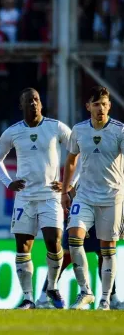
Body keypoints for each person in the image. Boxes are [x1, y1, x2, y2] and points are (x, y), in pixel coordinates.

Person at [0, 88, 72, 309]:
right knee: (22, 246)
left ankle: (52, 287)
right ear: (21, 106)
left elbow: (78, 151)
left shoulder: (55, 127)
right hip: (24, 198)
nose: (33, 103)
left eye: (36, 99)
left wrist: (69, 183)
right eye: (28, 101)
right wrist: (8, 182)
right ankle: (28, 298)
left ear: (41, 104)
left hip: (50, 196)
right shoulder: (12, 132)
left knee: (53, 241)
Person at [61, 86, 124, 310]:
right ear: (88, 106)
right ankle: (85, 291)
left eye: (104, 104)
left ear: (109, 106)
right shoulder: (79, 130)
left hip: (112, 197)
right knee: (74, 238)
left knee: (107, 249)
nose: (100, 109)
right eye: (96, 104)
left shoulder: (120, 131)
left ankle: (106, 299)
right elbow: (71, 160)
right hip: (85, 195)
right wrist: (65, 191)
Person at [36, 158, 123, 309]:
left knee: (104, 252)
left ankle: (111, 298)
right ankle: (45, 295)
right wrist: (67, 188)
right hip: (82, 205)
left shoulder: (113, 145)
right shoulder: (83, 141)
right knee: (68, 253)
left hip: (106, 203)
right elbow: (74, 168)